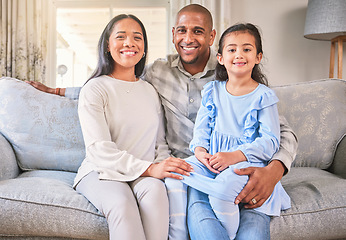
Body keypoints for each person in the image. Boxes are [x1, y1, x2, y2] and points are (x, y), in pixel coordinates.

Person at [26, 4, 298, 239]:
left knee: (252, 226)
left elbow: (281, 131)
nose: (188, 38)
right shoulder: (156, 73)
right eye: (181, 31)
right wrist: (58, 91)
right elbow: (116, 85)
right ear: (173, 35)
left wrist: (275, 170)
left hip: (242, 170)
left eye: (198, 31)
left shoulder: (234, 70)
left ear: (212, 37)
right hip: (190, 171)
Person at [166, 23, 291, 240]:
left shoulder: (263, 96)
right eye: (232, 49)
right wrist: (200, 151)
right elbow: (202, 129)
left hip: (245, 164)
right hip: (212, 161)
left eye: (247, 49)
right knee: (178, 172)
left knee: (226, 187)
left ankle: (228, 232)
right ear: (221, 57)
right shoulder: (212, 91)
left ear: (258, 57)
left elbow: (270, 141)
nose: (239, 54)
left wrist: (234, 156)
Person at [73, 14, 192, 240]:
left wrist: (166, 167)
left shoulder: (149, 90)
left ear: (144, 48)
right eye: (121, 37)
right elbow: (99, 150)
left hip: (143, 172)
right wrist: (150, 169)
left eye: (137, 37)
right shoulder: (95, 89)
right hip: (102, 172)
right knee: (122, 205)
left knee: (157, 194)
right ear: (108, 45)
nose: (130, 43)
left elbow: (159, 144)